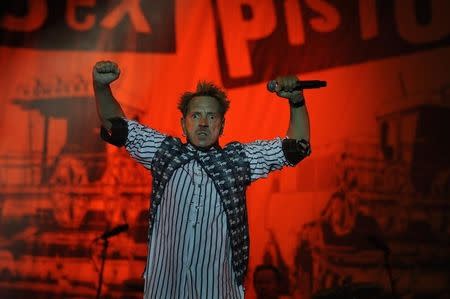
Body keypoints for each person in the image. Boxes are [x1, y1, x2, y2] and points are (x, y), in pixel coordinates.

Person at [92, 60, 311, 299]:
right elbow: (117, 126)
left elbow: (297, 147)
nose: (203, 123)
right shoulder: (164, 152)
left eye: (211, 116)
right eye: (195, 115)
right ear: (183, 125)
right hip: (166, 288)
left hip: (216, 289)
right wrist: (101, 88)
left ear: (222, 125)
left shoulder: (238, 160)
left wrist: (296, 101)